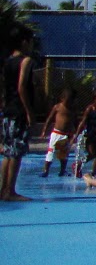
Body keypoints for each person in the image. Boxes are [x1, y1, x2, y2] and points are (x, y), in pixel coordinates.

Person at [2, 28, 37, 201]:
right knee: (16, 152)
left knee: (8, 152)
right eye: (31, 41)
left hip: (8, 110)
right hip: (18, 111)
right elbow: (22, 86)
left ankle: (4, 190)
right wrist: (29, 112)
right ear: (24, 41)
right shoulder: (26, 61)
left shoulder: (8, 61)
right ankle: (10, 191)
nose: (32, 45)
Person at [74, 88, 96, 178]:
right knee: (95, 154)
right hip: (90, 135)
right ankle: (78, 166)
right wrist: (76, 135)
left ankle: (91, 172)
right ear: (94, 99)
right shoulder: (90, 109)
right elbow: (82, 123)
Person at [41, 93, 75, 177]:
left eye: (70, 101)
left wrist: (73, 133)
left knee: (63, 154)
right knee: (51, 152)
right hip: (56, 133)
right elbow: (49, 119)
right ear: (62, 99)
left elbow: (73, 121)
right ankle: (46, 170)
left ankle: (62, 170)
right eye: (67, 101)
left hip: (65, 135)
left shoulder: (71, 109)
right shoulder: (58, 107)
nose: (69, 103)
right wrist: (44, 130)